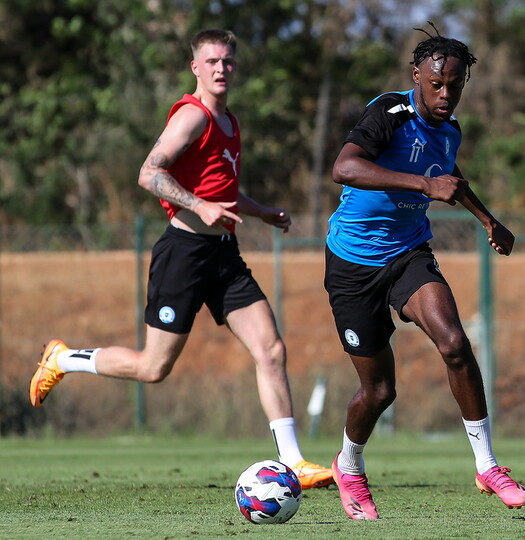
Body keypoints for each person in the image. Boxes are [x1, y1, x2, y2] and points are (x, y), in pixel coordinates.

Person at [28, 29, 332, 489]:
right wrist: (198, 205)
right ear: (195, 67)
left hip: (224, 255)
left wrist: (262, 211)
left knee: (271, 349)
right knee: (153, 368)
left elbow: (221, 191)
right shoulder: (192, 116)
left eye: (228, 61)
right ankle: (64, 359)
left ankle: (294, 462)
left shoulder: (230, 122)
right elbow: (149, 173)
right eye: (211, 61)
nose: (221, 69)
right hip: (184, 254)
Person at [323, 26, 525, 520]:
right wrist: (422, 184)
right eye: (436, 84)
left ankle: (487, 466)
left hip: (408, 253)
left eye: (454, 86)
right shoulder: (389, 113)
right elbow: (344, 168)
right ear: (416, 75)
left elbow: (449, 180)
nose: (445, 95)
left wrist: (489, 221)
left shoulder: (449, 130)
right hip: (352, 263)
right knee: (379, 391)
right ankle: (348, 466)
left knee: (455, 344)